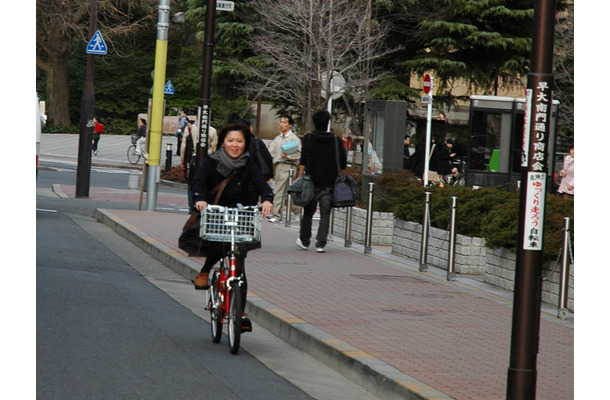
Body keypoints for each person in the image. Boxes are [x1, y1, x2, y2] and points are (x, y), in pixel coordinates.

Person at [191, 123, 274, 330]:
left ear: (245, 143)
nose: (235, 145)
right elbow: (198, 183)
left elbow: (263, 185)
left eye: (239, 141)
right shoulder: (212, 161)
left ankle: (240, 313)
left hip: (241, 215)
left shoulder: (249, 163)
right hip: (217, 212)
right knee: (219, 244)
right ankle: (206, 270)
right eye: (230, 141)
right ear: (223, 142)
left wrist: (267, 200)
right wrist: (200, 199)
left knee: (240, 269)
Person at [295, 109, 347, 253]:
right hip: (330, 184)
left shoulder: (309, 138)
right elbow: (342, 163)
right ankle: (320, 244)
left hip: (311, 182)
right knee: (325, 214)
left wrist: (299, 176)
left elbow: (303, 159)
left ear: (314, 122)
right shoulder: (336, 140)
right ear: (327, 122)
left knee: (308, 212)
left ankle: (305, 241)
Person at [268, 114, 301, 223]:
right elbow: (271, 152)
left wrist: (288, 157)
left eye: (285, 122)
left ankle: (277, 215)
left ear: (290, 125)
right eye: (281, 122)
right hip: (278, 166)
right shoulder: (277, 138)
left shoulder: (293, 139)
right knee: (284, 192)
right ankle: (298, 211)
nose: (282, 124)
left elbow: (298, 155)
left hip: (288, 166)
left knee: (280, 191)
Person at [180, 119, 198, 213]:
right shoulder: (211, 130)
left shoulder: (189, 129)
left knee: (191, 185)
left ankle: (192, 208)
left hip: (192, 162)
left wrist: (182, 161)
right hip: (207, 163)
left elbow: (183, 146)